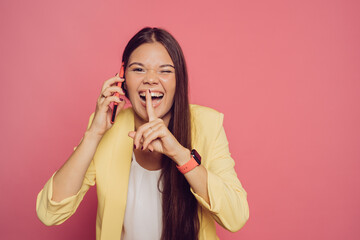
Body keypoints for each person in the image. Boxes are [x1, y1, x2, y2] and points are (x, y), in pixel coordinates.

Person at [36, 27, 249, 240]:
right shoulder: (106, 130)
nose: (151, 79)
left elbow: (236, 217)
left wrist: (180, 155)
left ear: (179, 81)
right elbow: (50, 213)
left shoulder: (207, 125)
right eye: (138, 69)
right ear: (122, 78)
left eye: (165, 71)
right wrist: (93, 134)